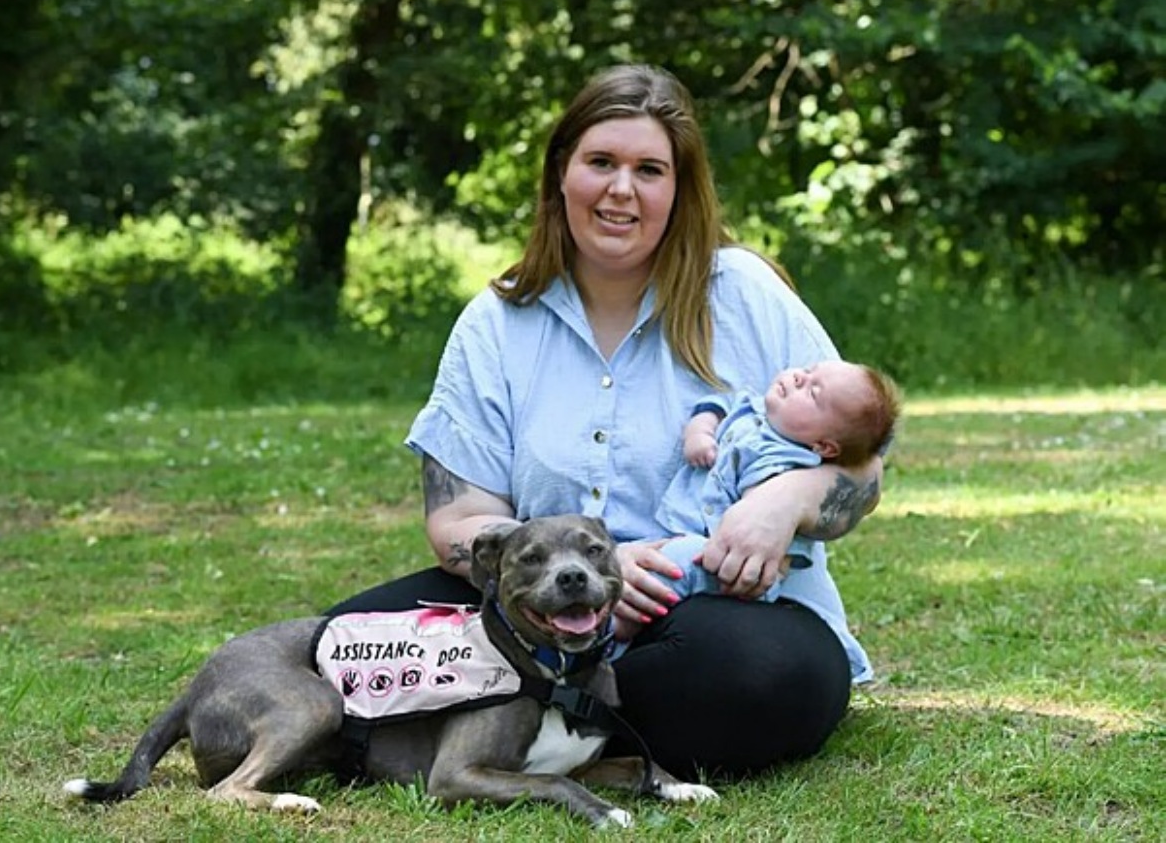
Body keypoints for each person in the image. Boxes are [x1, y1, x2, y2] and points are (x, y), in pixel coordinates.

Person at [328, 63, 885, 780]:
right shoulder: (496, 321)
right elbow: (459, 519)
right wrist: (584, 582)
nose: (622, 189)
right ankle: (568, 725)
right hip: (538, 615)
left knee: (759, 676)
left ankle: (530, 728)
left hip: (712, 615)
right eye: (601, 162)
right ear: (562, 173)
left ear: (679, 188)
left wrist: (786, 500)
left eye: (649, 169)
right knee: (346, 643)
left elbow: (863, 467)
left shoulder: (745, 293)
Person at [646, 360, 901, 609]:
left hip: (727, 565)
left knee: (670, 565)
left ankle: (618, 634)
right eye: (808, 370)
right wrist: (699, 433)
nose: (799, 378)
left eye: (812, 392)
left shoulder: (785, 461)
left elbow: (759, 520)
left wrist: (773, 503)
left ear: (823, 446)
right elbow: (714, 406)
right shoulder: (751, 406)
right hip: (673, 532)